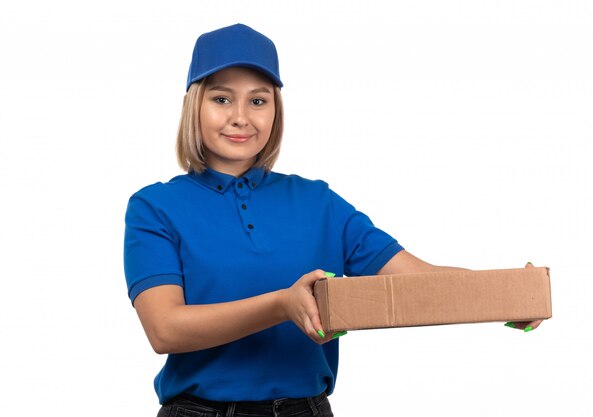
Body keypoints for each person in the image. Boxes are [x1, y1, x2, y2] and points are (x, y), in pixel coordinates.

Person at [123, 23, 542, 417]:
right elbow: (165, 329)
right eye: (221, 98)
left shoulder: (318, 201)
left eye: (258, 100)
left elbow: (418, 281)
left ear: (275, 110)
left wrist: (507, 297)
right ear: (193, 105)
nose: (241, 117)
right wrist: (282, 304)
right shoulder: (155, 207)